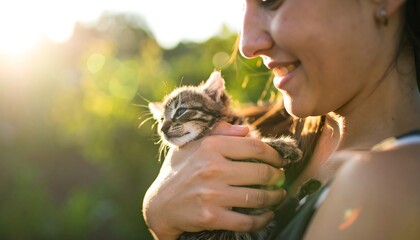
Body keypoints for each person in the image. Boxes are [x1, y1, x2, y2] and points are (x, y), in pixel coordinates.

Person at [142, 0, 420, 239]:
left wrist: (162, 224)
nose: (247, 44)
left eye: (270, 0)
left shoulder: (398, 181)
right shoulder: (256, 128)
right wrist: (163, 217)